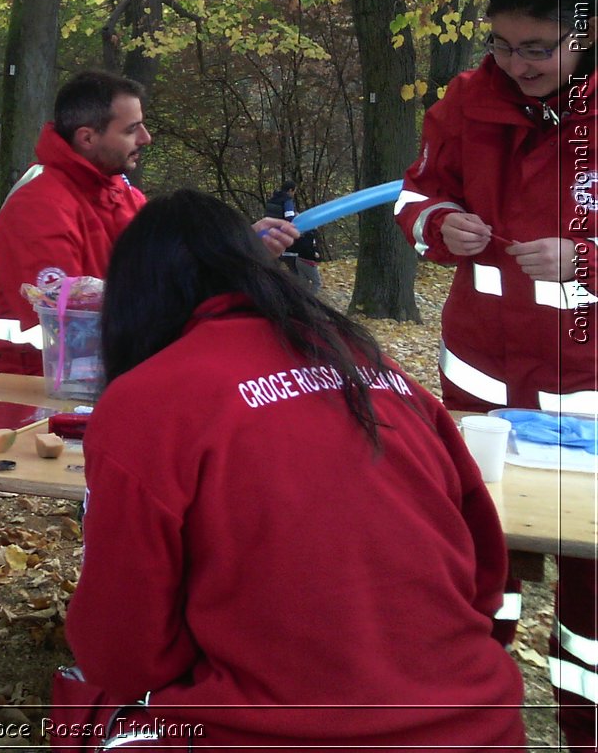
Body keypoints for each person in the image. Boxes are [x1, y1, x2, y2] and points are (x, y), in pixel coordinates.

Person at [53, 190, 523, 750]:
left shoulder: (147, 399)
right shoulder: (374, 365)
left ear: (135, 298)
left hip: (282, 733)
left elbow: (124, 653)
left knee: (79, 706)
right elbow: (489, 576)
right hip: (480, 720)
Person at [396, 0, 598, 751]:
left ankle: (584, 731)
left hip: (587, 389)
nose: (517, 63)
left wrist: (587, 258)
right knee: (482, 566)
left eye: (538, 48)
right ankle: (475, 723)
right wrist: (442, 225)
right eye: (503, 44)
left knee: (590, 595)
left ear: (583, 34)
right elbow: (411, 202)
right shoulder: (464, 101)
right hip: (480, 380)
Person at [0, 71, 296, 374]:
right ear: (88, 137)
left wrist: (238, 250)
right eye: (131, 129)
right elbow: (68, 318)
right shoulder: (38, 205)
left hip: (110, 375)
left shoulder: (125, 196)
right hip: (38, 391)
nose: (146, 138)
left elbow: (175, 275)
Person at [264, 179, 322, 293]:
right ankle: (293, 294)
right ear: (290, 190)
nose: (293, 194)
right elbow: (289, 217)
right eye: (294, 191)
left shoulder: (272, 200)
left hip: (270, 235)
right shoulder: (287, 201)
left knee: (274, 266)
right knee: (294, 271)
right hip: (283, 238)